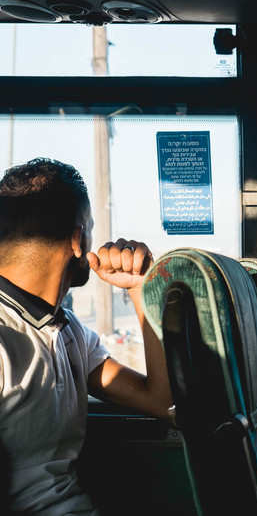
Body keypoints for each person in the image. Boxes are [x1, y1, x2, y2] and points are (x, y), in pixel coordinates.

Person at [0, 158, 172, 515]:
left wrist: (141, 290)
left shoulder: (69, 333)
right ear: (79, 239)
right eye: (91, 229)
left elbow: (163, 403)